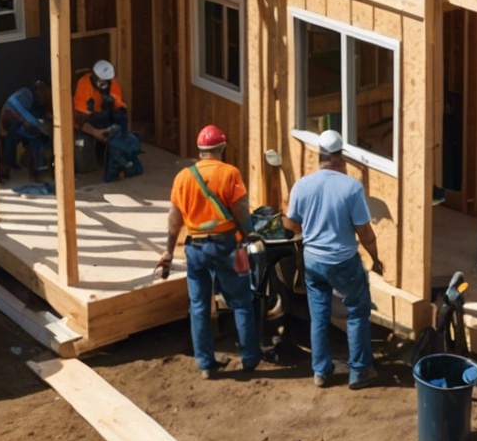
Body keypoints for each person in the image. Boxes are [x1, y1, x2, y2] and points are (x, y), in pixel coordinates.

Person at [283, 131, 385, 389]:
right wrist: (375, 259)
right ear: (341, 158)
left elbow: (291, 224)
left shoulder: (302, 185)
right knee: (357, 311)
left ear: (320, 157)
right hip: (343, 262)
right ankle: (360, 371)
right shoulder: (351, 188)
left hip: (313, 261)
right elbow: (365, 233)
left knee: (319, 315)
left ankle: (321, 372)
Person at [155, 125, 259, 378]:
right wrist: (250, 234)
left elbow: (174, 218)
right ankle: (249, 359)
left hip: (196, 248)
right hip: (229, 246)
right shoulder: (230, 173)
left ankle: (205, 364)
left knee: (199, 306)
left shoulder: (183, 177)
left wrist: (168, 251)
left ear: (200, 151)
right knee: (242, 303)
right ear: (222, 148)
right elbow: (241, 210)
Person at [73, 60, 142, 181]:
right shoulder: (84, 84)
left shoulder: (113, 83)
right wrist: (96, 133)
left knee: (120, 120)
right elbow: (79, 118)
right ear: (94, 77)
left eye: (107, 81)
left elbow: (120, 107)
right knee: (85, 159)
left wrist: (113, 107)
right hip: (88, 120)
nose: (104, 84)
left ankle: (118, 160)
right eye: (101, 81)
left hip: (104, 116)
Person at [0, 80, 51, 180]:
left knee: (38, 137)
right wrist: (27, 122)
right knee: (36, 135)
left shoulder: (36, 99)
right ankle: (38, 167)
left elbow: (34, 115)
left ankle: (39, 168)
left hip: (20, 126)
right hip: (11, 126)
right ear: (40, 87)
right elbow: (12, 109)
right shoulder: (26, 94)